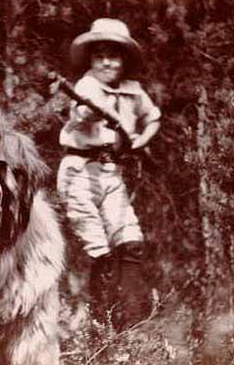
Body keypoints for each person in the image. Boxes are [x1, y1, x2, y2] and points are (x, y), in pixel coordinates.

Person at [56, 18, 161, 330]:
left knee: (129, 241)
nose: (106, 62)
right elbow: (82, 113)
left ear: (123, 60)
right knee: (99, 250)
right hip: (80, 172)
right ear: (91, 58)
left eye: (113, 56)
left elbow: (153, 117)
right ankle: (99, 325)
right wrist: (88, 111)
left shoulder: (133, 91)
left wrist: (142, 139)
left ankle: (129, 322)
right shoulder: (86, 87)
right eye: (99, 55)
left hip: (111, 173)